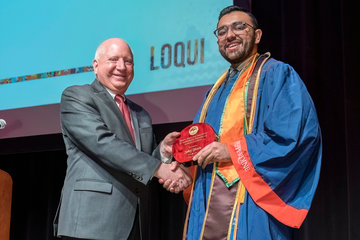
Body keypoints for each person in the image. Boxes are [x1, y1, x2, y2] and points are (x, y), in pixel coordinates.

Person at [182, 5, 322, 240]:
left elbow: (292, 136)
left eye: (239, 27)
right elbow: (199, 146)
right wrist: (176, 157)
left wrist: (231, 150)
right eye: (222, 31)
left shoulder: (277, 75)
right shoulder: (214, 91)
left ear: (257, 35)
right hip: (207, 202)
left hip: (250, 202)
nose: (230, 35)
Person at [53, 38, 192, 240]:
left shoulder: (141, 114)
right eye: (113, 59)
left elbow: (141, 160)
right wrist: (159, 168)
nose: (121, 67)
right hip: (89, 223)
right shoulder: (77, 96)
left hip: (134, 222)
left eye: (128, 61)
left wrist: (162, 152)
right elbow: (103, 143)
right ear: (96, 65)